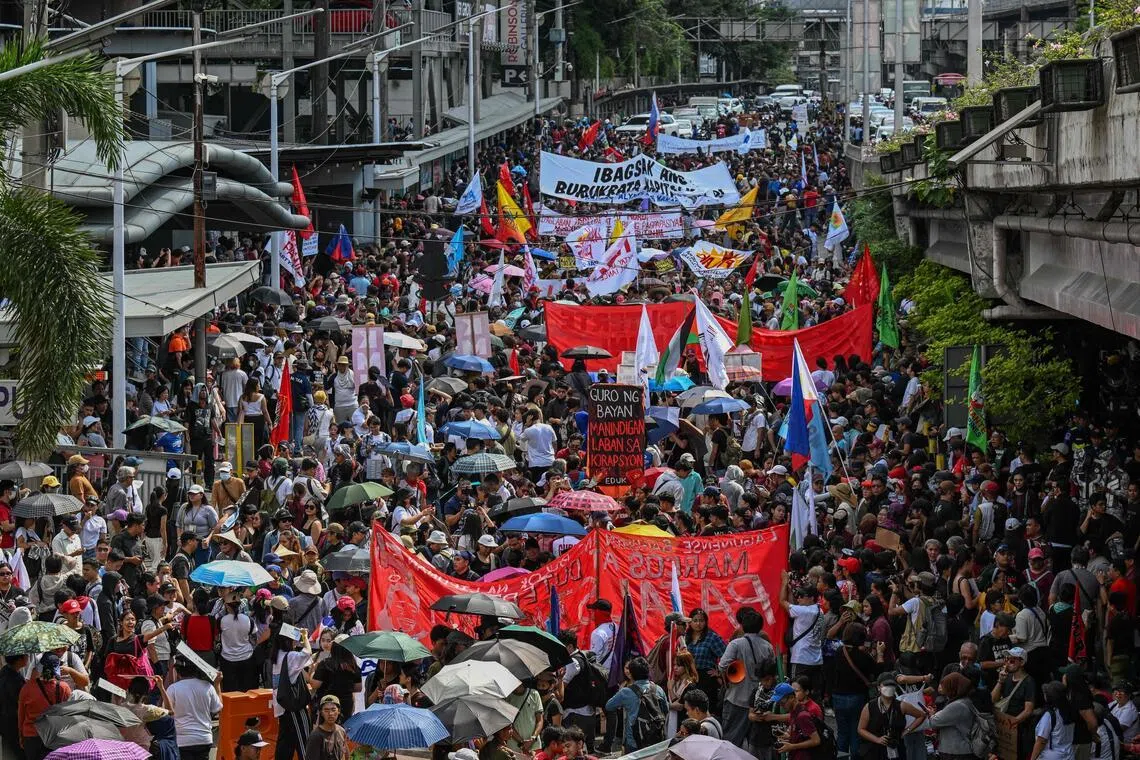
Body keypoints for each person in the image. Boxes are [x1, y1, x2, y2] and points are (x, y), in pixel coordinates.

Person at [717, 608, 775, 748]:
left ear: (743, 625)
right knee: (756, 744)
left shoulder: (736, 644)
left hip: (737, 698)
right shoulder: (767, 646)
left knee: (730, 741)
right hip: (759, 701)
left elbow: (722, 665)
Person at [857, 672, 928, 760]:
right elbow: (861, 729)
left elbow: (921, 715)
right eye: (886, 685)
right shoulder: (870, 706)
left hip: (896, 748)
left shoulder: (902, 705)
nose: (889, 688)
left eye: (892, 685)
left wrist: (907, 731)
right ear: (879, 687)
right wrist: (877, 739)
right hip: (874, 751)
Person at [604, 656, 668, 753]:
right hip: (656, 739)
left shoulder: (626, 692)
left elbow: (608, 706)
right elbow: (666, 710)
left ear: (632, 674)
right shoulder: (658, 689)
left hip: (633, 741)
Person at [167, 657, 224, 760]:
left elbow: (167, 712)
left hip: (182, 740)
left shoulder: (173, 689)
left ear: (178, 673)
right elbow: (218, 708)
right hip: (204, 738)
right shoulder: (208, 687)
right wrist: (217, 683)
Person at [17, 652, 70, 760]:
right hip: (55, 737)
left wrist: (21, 736)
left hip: (31, 737)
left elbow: (21, 716)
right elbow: (69, 715)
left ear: (40, 668)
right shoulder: (64, 688)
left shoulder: (26, 689)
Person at [927, 672, 978, 760]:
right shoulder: (965, 701)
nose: (943, 688)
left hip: (956, 752)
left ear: (953, 687)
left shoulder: (957, 706)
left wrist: (932, 714)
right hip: (960, 751)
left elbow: (934, 722)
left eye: (946, 686)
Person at [1032, 681, 1076, 760]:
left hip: (1051, 756)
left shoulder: (1050, 715)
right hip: (1068, 755)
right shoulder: (1070, 711)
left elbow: (1041, 741)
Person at [306, 695, 349, 760]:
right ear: (321, 712)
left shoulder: (341, 731)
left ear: (338, 711)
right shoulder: (315, 736)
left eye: (333, 709)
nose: (330, 713)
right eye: (326, 710)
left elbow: (345, 755)